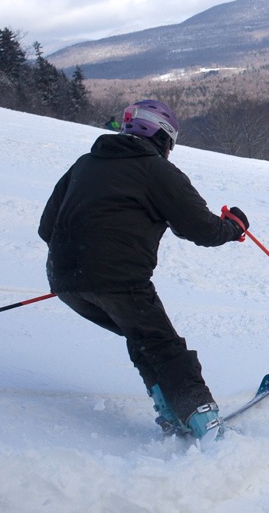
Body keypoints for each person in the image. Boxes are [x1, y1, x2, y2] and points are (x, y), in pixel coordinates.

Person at [38, 99, 249, 440]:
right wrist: (235, 227)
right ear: (163, 139)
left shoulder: (84, 164)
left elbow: (46, 228)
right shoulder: (156, 171)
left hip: (64, 282)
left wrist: (80, 268)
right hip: (118, 282)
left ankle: (171, 412)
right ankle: (204, 424)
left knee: (142, 336)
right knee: (164, 346)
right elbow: (202, 229)